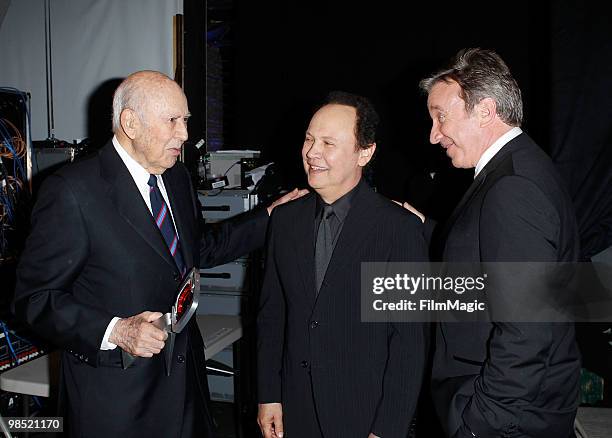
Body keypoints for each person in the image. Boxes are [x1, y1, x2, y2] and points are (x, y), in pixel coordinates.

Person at [12, 70, 306, 437]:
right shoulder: (72, 193)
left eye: (185, 121)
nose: (184, 134)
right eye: (173, 121)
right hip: (118, 403)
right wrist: (116, 330)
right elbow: (34, 299)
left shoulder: (176, 177)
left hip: (186, 390)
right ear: (130, 123)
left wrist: (268, 218)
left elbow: (197, 247)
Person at [415, 48, 581, 437]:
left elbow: (527, 327)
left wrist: (481, 422)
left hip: (506, 417)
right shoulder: (520, 168)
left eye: (441, 117)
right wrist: (429, 228)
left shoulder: (512, 186)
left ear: (485, 111)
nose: (433, 135)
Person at [256, 91, 429, 438]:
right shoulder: (285, 220)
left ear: (365, 152)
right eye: (308, 139)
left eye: (328, 143)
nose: (311, 152)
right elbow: (272, 316)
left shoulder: (398, 229)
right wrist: (268, 396)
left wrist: (387, 429)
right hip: (295, 409)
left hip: (363, 415)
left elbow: (408, 343)